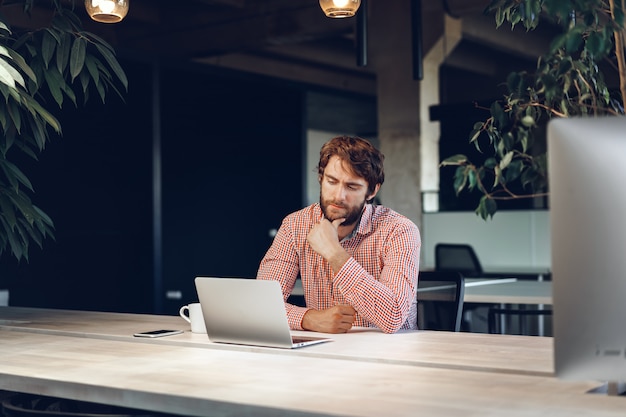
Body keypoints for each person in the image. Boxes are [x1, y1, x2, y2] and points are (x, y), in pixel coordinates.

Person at [257, 135, 420, 334]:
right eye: (331, 181)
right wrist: (309, 319)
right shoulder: (295, 226)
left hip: (391, 353)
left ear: (371, 191)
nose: (338, 196)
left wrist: (334, 253)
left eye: (351, 187)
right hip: (327, 351)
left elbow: (393, 316)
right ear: (321, 178)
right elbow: (262, 304)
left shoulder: (399, 230)